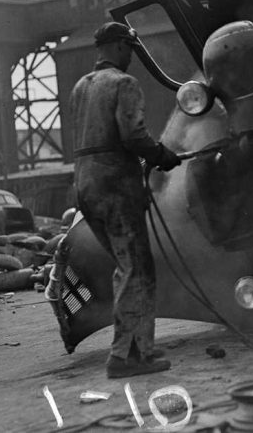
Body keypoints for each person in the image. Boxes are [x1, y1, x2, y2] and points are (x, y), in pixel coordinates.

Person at [70, 21, 182, 379]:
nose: (131, 57)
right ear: (120, 47)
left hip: (85, 186)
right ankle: (124, 357)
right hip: (116, 185)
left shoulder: (81, 87)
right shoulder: (123, 84)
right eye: (130, 50)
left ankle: (139, 347)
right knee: (138, 268)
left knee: (126, 266)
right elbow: (133, 136)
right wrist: (163, 154)